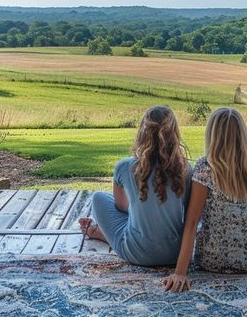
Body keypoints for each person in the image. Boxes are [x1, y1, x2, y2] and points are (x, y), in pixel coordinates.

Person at [162, 107, 247, 293]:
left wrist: (180, 272)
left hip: (214, 260)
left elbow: (192, 221)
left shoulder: (206, 166)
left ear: (212, 134)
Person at [79, 105, 190, 266]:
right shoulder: (186, 169)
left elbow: (122, 207)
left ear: (142, 133)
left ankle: (103, 234)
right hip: (175, 253)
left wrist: (143, 204)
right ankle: (110, 232)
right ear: (174, 134)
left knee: (98, 197)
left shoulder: (125, 167)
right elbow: (188, 216)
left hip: (137, 253)